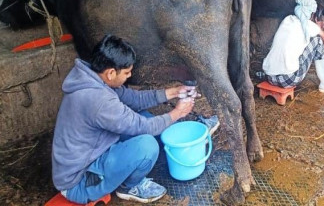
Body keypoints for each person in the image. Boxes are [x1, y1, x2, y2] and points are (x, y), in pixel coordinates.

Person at [51, 34, 215, 204]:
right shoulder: (98, 100)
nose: (129, 76)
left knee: (144, 117)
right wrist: (178, 113)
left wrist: (174, 92)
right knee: (147, 145)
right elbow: (142, 127)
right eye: (127, 72)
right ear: (111, 73)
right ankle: (129, 187)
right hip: (80, 181)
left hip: (90, 153)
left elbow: (134, 99)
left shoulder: (93, 78)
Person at [259, 0, 324, 92]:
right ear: (312, 14)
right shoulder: (310, 26)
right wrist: (319, 29)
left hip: (270, 77)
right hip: (289, 80)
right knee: (317, 41)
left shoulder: (287, 19)